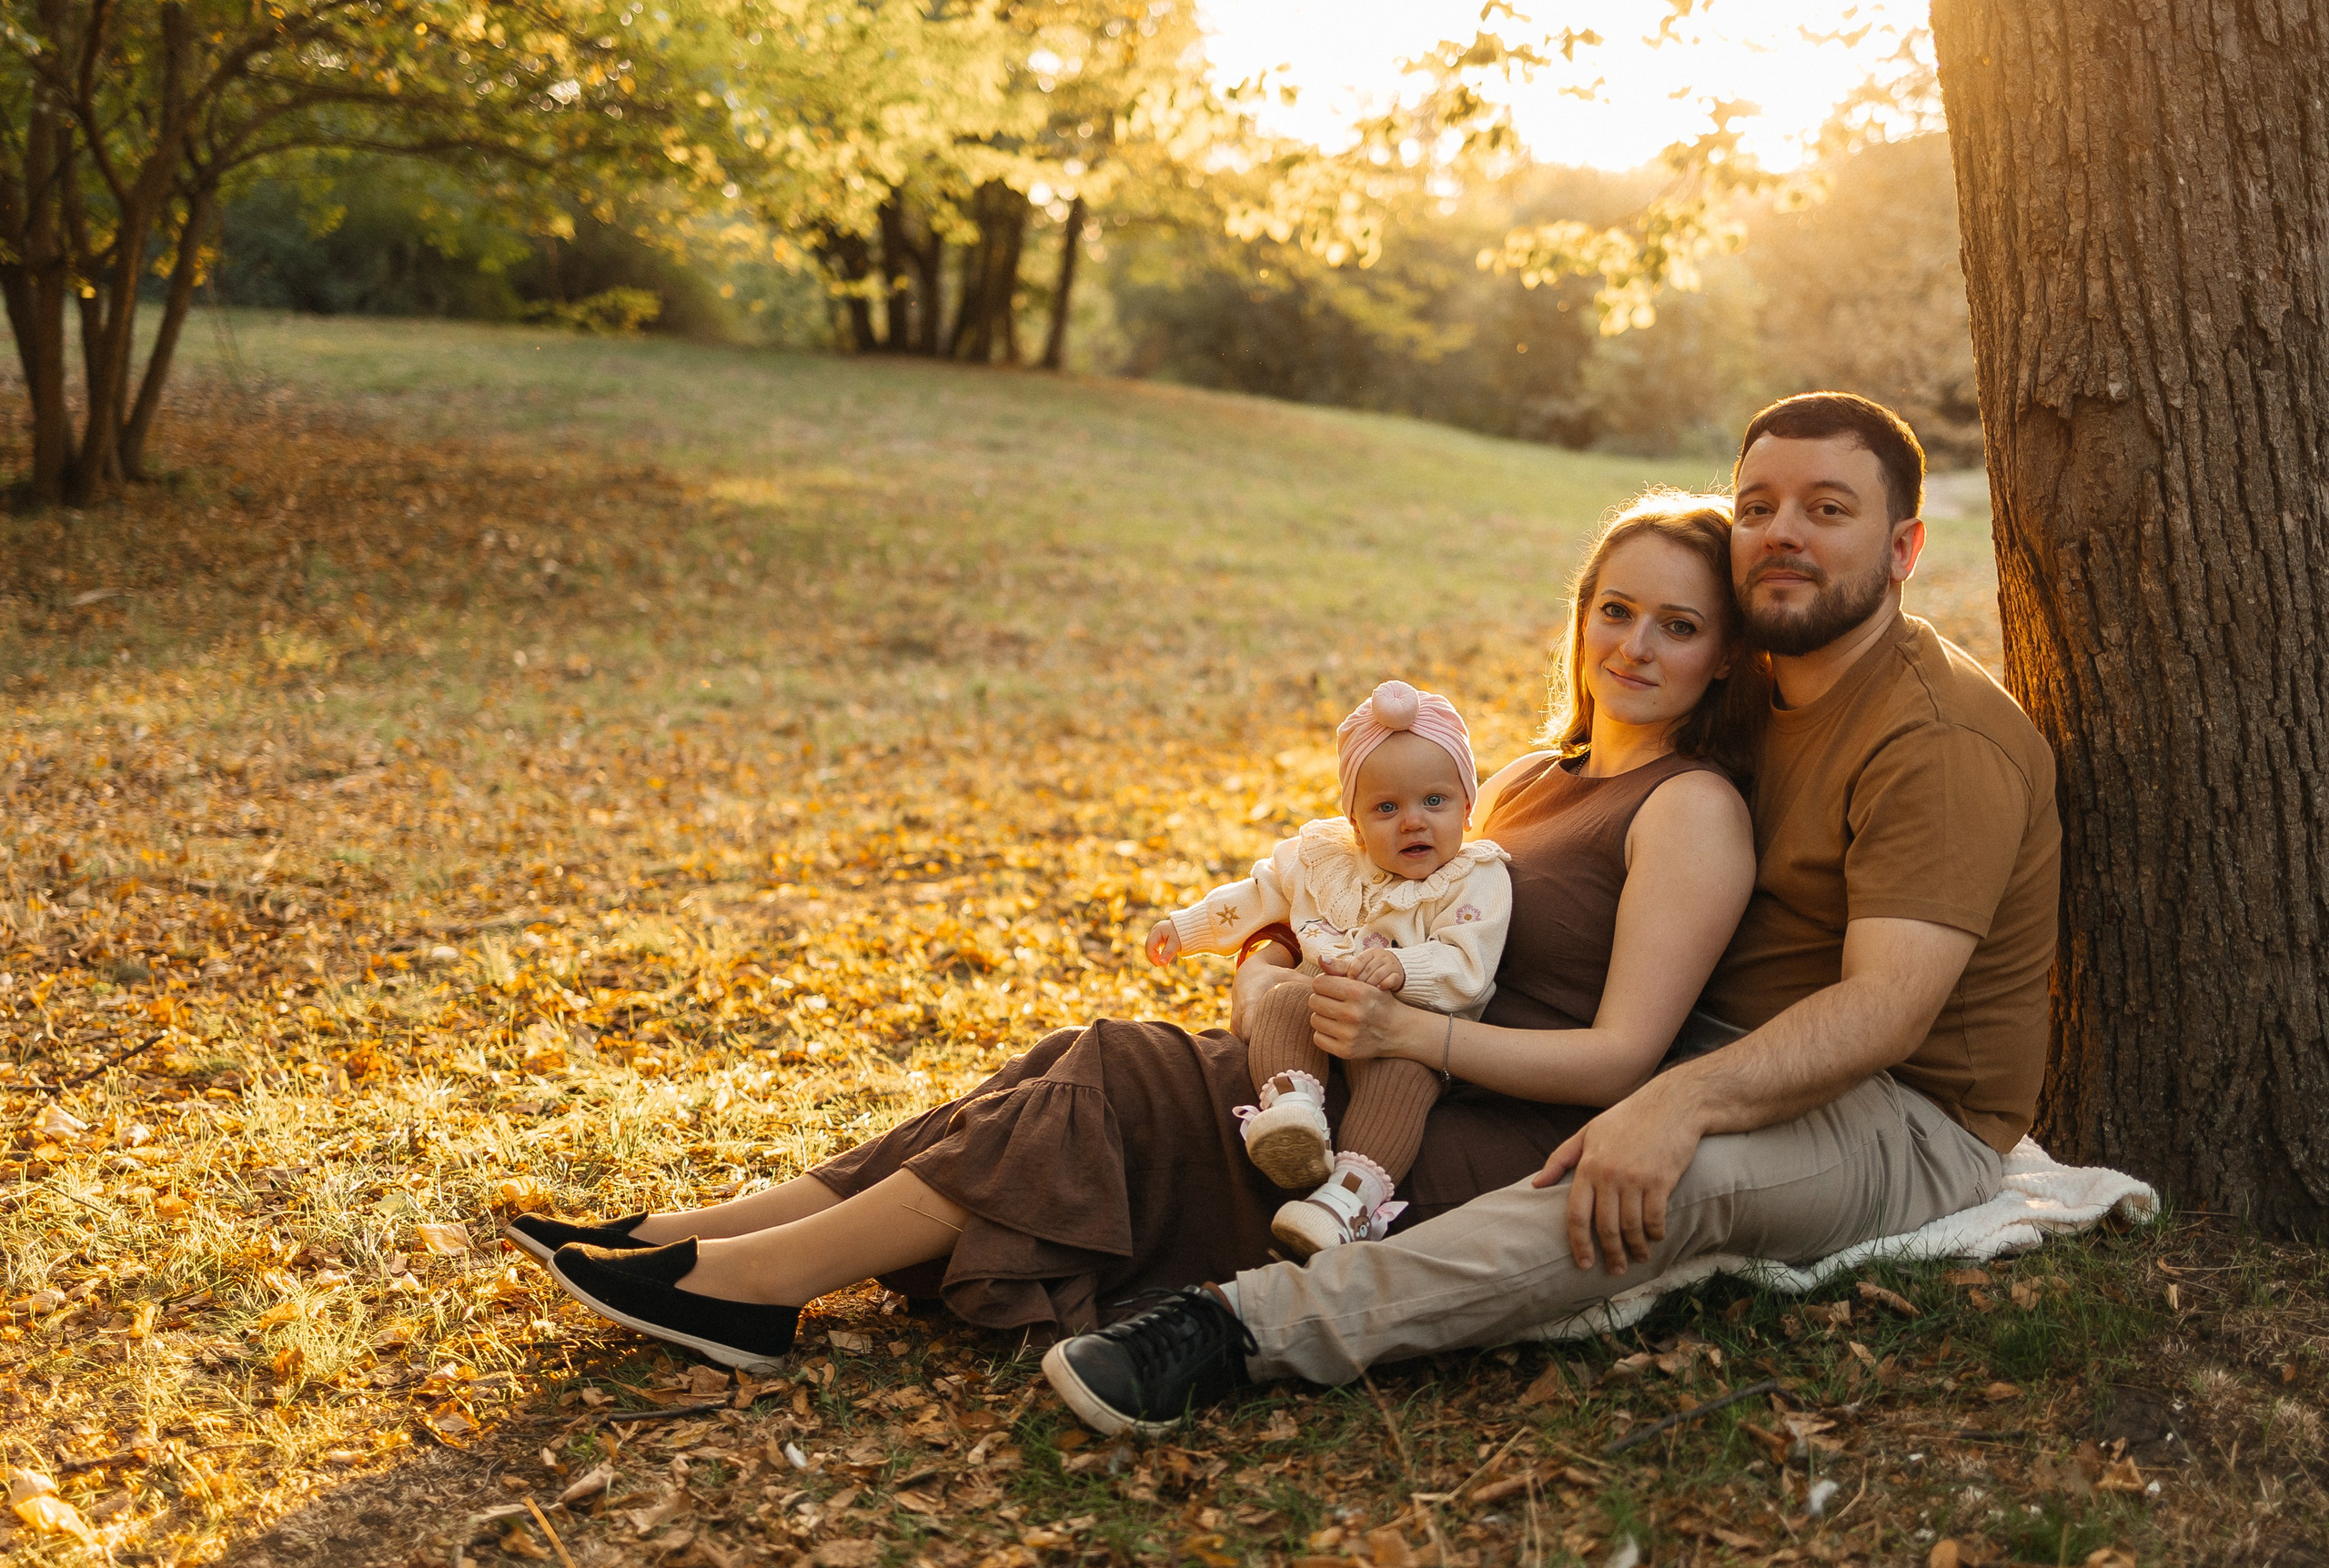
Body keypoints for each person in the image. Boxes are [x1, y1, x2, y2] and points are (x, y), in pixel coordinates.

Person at [507, 491, 1764, 1374]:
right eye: (1617, 609)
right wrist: (1290, 957)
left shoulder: (1693, 808)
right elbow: (1403, 904)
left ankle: (758, 1294)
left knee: (1115, 1072)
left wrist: (1399, 1026)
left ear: (1722, 656)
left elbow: (1617, 1062)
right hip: (1367, 1055)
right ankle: (704, 1236)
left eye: (1679, 625)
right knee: (1076, 1054)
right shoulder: (1538, 774)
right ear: (1582, 614)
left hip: (1460, 1135)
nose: (1635, 646)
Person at [1039, 391, 2063, 1439]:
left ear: (1903, 548)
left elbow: (1885, 1012)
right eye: (1758, 504)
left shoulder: (1935, 741)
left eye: (1827, 508)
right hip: (1706, 1037)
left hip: (1895, 1107)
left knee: (1647, 1182)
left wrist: (1679, 1104)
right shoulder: (1754, 683)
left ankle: (1240, 1328)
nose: (1782, 532)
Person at [1153, 678, 1514, 1257]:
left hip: (1410, 1039)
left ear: (1468, 808)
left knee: (1400, 1086)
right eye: (1386, 808)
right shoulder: (1327, 861)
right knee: (1284, 1001)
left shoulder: (1476, 880)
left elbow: (1470, 962)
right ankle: (1293, 1117)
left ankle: (1344, 1203)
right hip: (1320, 1014)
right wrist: (1188, 927)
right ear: (1354, 822)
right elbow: (1258, 896)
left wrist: (1400, 968)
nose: (1413, 822)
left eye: (1435, 801)